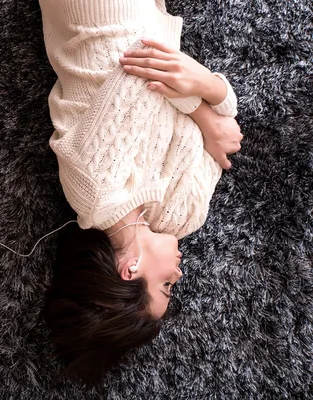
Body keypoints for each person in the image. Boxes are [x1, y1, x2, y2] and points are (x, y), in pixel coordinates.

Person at [38, 0, 243, 383]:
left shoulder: (94, 190)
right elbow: (228, 136)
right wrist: (211, 92)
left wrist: (204, 108)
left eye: (165, 286)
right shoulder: (178, 218)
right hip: (149, 19)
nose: (180, 274)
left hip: (97, 16)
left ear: (129, 270)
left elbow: (140, 63)